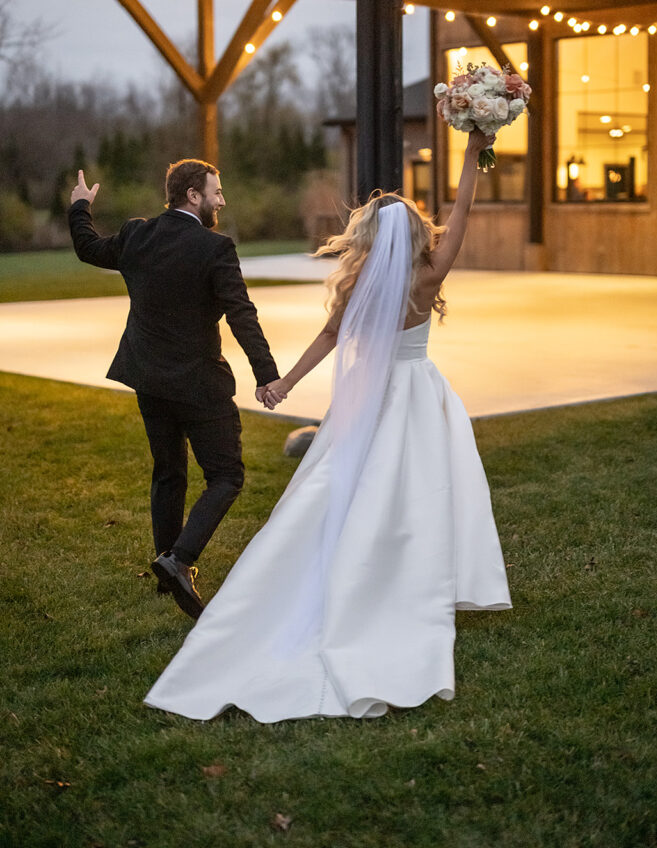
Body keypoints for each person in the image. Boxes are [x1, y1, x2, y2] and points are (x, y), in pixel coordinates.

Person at [145, 130, 512, 723]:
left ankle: (365, 571)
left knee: (352, 487)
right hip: (421, 395)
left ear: (371, 236)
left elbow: (329, 337)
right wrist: (472, 156)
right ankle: (412, 576)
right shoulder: (430, 274)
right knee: (424, 489)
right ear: (416, 233)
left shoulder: (362, 282)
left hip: (370, 402)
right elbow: (462, 210)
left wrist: (283, 384)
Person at [68, 159, 283, 621]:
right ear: (192, 195)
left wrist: (80, 207)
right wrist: (267, 375)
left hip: (148, 378)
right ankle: (178, 561)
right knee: (226, 475)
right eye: (216, 192)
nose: (221, 200)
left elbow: (87, 248)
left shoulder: (136, 235)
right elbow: (241, 314)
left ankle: (168, 568)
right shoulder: (215, 247)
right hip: (198, 384)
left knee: (169, 472)